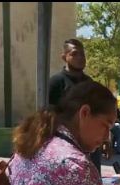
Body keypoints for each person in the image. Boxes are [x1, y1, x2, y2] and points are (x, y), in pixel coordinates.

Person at [46, 39, 105, 173]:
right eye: (74, 54)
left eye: (82, 54)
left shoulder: (89, 83)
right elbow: (48, 116)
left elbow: (98, 113)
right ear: (64, 57)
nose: (80, 58)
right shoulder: (56, 83)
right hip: (65, 147)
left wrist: (104, 137)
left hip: (90, 146)